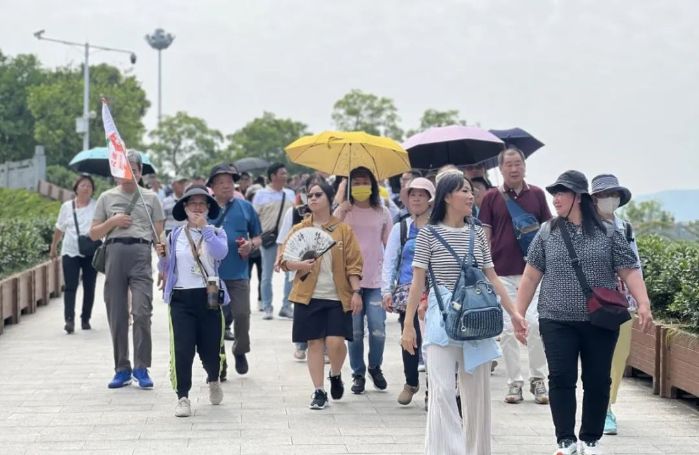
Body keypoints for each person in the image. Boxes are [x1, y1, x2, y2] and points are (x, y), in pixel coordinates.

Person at [516, 170, 653, 455]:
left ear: (578, 197)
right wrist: (518, 314)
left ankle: (590, 439)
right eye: (553, 193)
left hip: (599, 319)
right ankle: (565, 440)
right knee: (561, 378)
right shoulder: (547, 231)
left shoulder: (608, 232)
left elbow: (628, 269)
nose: (555, 199)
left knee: (597, 379)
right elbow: (530, 276)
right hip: (556, 319)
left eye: (561, 193)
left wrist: (643, 303)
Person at [400, 172, 526, 454]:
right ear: (446, 196)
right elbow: (417, 282)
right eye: (464, 191)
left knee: (477, 397)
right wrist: (408, 325)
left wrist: (515, 313)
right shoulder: (428, 235)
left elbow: (491, 276)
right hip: (440, 317)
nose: (471, 196)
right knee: (442, 393)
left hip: (477, 317)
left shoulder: (477, 233)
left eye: (471, 191)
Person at [280, 180, 363, 410]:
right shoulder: (299, 230)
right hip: (308, 295)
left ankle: (335, 374)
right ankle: (318, 390)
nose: (313, 199)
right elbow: (283, 262)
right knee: (314, 343)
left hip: (337, 295)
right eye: (310, 195)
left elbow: (354, 264)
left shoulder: (343, 230)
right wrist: (300, 265)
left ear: (329, 198)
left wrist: (356, 292)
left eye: (318, 194)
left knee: (336, 343)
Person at [478, 147, 552, 405]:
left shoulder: (538, 195)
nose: (513, 168)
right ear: (500, 169)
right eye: (508, 164)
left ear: (524, 166)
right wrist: (483, 269)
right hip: (501, 275)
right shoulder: (490, 198)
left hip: (533, 274)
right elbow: (485, 235)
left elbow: (548, 232)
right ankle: (514, 382)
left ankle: (538, 379)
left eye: (517, 163)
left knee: (534, 324)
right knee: (509, 329)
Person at [89, 150, 165, 389]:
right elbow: (93, 233)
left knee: (142, 312)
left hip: (141, 255)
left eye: (132, 168)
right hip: (114, 254)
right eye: (122, 168)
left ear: (140, 172)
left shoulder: (151, 198)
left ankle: (142, 367)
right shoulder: (106, 197)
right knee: (117, 314)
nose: (127, 173)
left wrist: (164, 264)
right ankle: (122, 368)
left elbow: (159, 235)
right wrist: (113, 222)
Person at [156, 185, 229, 417]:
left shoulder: (217, 232)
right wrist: (162, 256)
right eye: (192, 204)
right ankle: (182, 396)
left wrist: (205, 230)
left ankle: (213, 379)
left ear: (208, 208)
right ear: (184, 208)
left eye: (202, 204)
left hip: (208, 296)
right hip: (180, 298)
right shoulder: (174, 235)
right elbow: (166, 267)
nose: (197, 208)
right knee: (182, 348)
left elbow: (220, 254)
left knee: (210, 348)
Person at [334, 166, 393, 394]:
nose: (361, 186)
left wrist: (391, 279)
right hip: (350, 281)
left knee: (378, 329)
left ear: (373, 185)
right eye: (356, 182)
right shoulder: (344, 211)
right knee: (355, 332)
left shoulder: (383, 212)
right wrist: (340, 209)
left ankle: (375, 367)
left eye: (364, 181)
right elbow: (330, 234)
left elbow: (390, 247)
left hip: (376, 280)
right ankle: (357, 373)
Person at [590, 174, 640, 436]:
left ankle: (608, 405)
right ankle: (598, 406)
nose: (608, 199)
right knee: (596, 357)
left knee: (618, 357)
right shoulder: (584, 228)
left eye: (612, 194)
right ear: (593, 199)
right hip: (593, 303)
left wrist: (642, 302)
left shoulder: (626, 229)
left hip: (621, 305)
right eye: (602, 195)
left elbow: (635, 267)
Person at [382, 177, 435, 405]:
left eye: (422, 195)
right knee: (410, 337)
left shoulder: (438, 228)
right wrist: (386, 290)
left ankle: (432, 388)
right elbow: (390, 260)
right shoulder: (400, 228)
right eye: (412, 194)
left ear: (430, 199)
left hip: (435, 293)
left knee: (433, 341)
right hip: (408, 292)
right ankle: (411, 381)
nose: (416, 199)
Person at [208, 164, 262, 377]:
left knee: (242, 315)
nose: (226, 186)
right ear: (212, 186)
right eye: (221, 182)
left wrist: (251, 245)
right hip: (212, 277)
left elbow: (258, 235)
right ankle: (219, 361)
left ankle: (240, 350)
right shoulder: (205, 209)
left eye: (230, 182)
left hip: (239, 274)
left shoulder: (245, 207)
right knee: (215, 320)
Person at [50, 174, 99, 334]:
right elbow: (59, 228)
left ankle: (85, 318)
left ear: (92, 190)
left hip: (91, 251)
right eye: (83, 185)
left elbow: (103, 226)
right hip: (70, 251)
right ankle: (69, 320)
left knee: (89, 286)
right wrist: (53, 247)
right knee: (70, 286)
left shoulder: (96, 206)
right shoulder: (66, 207)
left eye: (89, 186)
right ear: (76, 188)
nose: (86, 188)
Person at [252, 163, 295, 320]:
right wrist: (256, 236)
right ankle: (267, 306)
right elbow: (254, 217)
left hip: (289, 240)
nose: (285, 175)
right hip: (269, 240)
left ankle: (286, 306)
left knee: (290, 274)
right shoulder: (261, 194)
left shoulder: (290, 194)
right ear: (272, 176)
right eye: (282, 173)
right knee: (266, 275)